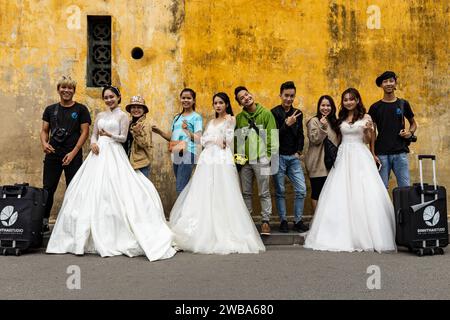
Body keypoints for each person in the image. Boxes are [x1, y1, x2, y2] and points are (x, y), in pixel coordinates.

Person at [46, 86, 176, 262]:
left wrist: (108, 134)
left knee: (115, 187)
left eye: (112, 97)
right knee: (91, 189)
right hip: (98, 153)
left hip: (114, 152)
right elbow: (93, 135)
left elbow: (122, 138)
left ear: (118, 97)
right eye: (106, 97)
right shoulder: (100, 116)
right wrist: (93, 143)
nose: (109, 100)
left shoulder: (123, 116)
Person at [169, 92, 265, 254]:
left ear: (226, 104)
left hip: (221, 159)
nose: (218, 105)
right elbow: (202, 140)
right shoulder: (212, 122)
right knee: (204, 191)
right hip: (207, 159)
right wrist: (188, 132)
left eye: (221, 102)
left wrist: (214, 140)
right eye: (215, 103)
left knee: (222, 191)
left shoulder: (230, 119)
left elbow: (226, 140)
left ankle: (224, 230)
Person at [304, 88, 396, 253]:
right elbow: (338, 140)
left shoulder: (366, 117)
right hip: (343, 155)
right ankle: (338, 232)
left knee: (363, 192)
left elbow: (368, 140)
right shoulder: (340, 119)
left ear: (357, 100)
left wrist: (369, 134)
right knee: (341, 193)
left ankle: (367, 233)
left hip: (360, 155)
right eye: (345, 99)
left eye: (351, 99)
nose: (348, 102)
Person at [40, 75, 91, 233]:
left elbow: (85, 132)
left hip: (73, 155)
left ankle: (72, 222)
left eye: (70, 88)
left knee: (74, 188)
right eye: (63, 87)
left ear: (74, 91)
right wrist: (44, 143)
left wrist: (73, 152)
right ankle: (44, 221)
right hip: (53, 155)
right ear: (58, 89)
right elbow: (44, 130)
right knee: (48, 189)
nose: (66, 90)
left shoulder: (81, 109)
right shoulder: (50, 110)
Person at [234, 86, 278, 236]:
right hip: (245, 163)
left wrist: (269, 157)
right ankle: (248, 223)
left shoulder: (266, 114)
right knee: (246, 193)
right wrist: (239, 161)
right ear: (240, 103)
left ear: (251, 95)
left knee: (264, 192)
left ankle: (265, 222)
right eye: (242, 98)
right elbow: (238, 141)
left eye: (246, 94)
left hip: (262, 160)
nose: (246, 98)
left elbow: (273, 136)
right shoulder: (239, 119)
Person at [369, 71, 417, 188]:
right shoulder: (375, 107)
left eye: (391, 81)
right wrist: (373, 153)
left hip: (400, 152)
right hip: (381, 154)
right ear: (381, 85)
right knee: (381, 188)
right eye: (385, 81)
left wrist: (409, 133)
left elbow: (413, 124)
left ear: (395, 83)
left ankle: (404, 207)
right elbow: (372, 133)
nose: (388, 84)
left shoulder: (403, 104)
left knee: (405, 187)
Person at [271, 81, 308, 233]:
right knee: (280, 191)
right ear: (280, 95)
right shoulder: (273, 113)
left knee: (301, 189)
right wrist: (286, 124)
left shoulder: (298, 113)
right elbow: (272, 137)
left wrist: (298, 151)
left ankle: (298, 220)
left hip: (293, 158)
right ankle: (283, 221)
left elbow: (300, 135)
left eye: (291, 96)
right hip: (278, 156)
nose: (288, 99)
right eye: (286, 95)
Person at [152, 88, 203, 194]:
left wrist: (187, 130)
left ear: (193, 100)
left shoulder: (196, 117)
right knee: (181, 186)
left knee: (181, 187)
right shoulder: (177, 117)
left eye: (189, 98)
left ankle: (182, 211)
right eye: (183, 98)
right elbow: (172, 138)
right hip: (176, 152)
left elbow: (198, 139)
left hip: (188, 152)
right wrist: (159, 132)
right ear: (180, 99)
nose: (186, 100)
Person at [305, 95, 339, 213]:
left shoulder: (335, 122)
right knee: (317, 193)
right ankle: (317, 222)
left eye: (328, 105)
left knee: (331, 194)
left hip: (332, 164)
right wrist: (323, 127)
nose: (326, 108)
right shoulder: (314, 121)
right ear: (319, 107)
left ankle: (328, 222)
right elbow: (314, 139)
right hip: (317, 163)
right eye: (323, 105)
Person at [123, 95, 153, 178]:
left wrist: (137, 133)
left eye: (139, 107)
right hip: (128, 161)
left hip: (140, 164)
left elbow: (144, 143)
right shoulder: (129, 123)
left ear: (144, 110)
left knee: (141, 189)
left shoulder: (145, 125)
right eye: (133, 107)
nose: (136, 110)